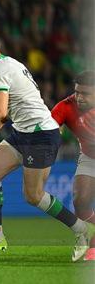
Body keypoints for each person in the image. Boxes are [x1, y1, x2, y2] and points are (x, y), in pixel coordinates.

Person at [0, 32, 95, 261]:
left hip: (41, 135)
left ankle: (82, 229)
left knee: (33, 196)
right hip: (24, 132)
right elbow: (23, 99)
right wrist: (1, 121)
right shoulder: (11, 63)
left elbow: (0, 110)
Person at [51, 70, 95, 261]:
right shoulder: (66, 106)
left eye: (85, 93)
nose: (79, 97)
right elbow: (48, 126)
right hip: (89, 156)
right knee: (80, 199)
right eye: (77, 92)